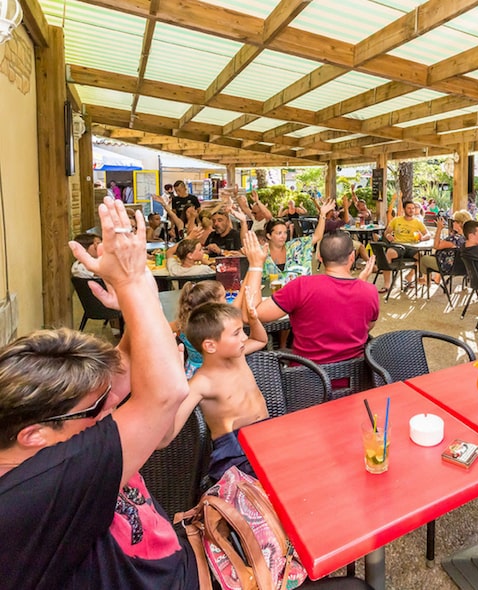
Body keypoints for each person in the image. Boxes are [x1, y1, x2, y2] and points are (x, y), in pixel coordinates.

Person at [0, 197, 194, 588]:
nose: (115, 405)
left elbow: (119, 372)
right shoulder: (36, 490)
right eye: (97, 408)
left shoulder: (51, 439)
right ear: (34, 434)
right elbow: (166, 392)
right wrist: (133, 281)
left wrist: (132, 303)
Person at [166, 299, 268, 481]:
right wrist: (175, 385)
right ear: (211, 346)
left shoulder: (238, 356)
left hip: (265, 434)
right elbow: (167, 435)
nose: (244, 337)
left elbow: (260, 339)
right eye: (237, 333)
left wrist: (253, 319)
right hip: (237, 454)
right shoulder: (201, 383)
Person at [252, 231, 379, 364]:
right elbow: (367, 326)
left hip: (307, 377)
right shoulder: (369, 291)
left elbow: (256, 313)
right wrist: (361, 284)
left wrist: (255, 266)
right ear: (352, 256)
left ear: (319, 257)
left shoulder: (302, 286)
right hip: (354, 378)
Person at [264, 198, 335, 277]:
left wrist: (322, 215)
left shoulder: (295, 246)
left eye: (285, 232)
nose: (283, 236)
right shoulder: (261, 253)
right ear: (269, 236)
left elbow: (317, 236)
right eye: (279, 233)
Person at [381, 200, 430, 292]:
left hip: (412, 247)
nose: (411, 210)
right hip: (398, 246)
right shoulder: (396, 220)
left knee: (423, 259)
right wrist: (388, 235)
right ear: (404, 209)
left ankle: (409, 276)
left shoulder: (417, 222)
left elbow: (428, 234)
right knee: (388, 254)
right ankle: (387, 284)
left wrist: (422, 238)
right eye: (409, 208)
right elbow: (386, 232)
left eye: (413, 208)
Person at [418, 209, 471, 282]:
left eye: (454, 221)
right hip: (462, 267)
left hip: (448, 266)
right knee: (436, 255)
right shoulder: (468, 238)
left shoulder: (454, 239)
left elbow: (436, 246)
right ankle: (435, 278)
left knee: (423, 259)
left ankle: (425, 280)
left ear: (460, 223)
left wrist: (439, 229)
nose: (452, 223)